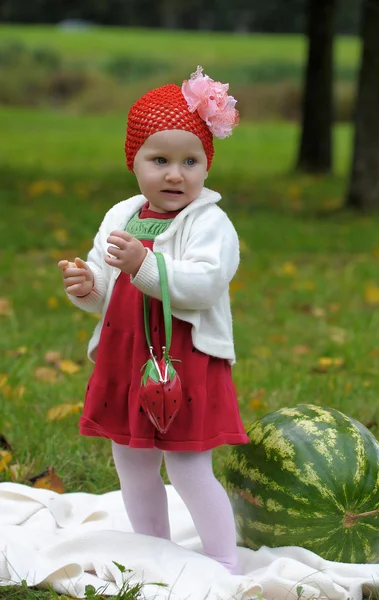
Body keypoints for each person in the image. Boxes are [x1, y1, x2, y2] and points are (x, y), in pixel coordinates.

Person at [57, 66, 250, 575]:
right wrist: (87, 286)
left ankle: (223, 560)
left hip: (183, 361)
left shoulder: (210, 223)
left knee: (187, 466)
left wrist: (144, 266)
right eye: (159, 159)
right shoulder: (122, 214)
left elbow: (205, 283)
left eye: (191, 160)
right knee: (132, 462)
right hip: (128, 357)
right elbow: (106, 283)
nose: (175, 174)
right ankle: (154, 552)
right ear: (134, 162)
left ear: (206, 166)